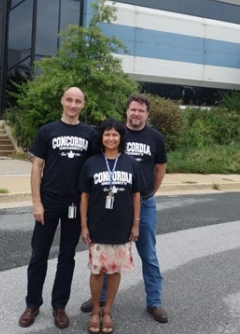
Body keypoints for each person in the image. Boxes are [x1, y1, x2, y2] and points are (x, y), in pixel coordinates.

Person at [80, 93, 168, 323]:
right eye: (133, 109)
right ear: (127, 112)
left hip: (143, 204)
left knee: (148, 254)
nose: (136, 114)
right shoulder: (118, 134)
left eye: (141, 110)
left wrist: (148, 194)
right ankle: (99, 300)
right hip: (111, 208)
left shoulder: (155, 138)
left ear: (147, 114)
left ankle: (154, 302)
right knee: (109, 250)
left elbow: (160, 169)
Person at [19, 86, 96, 330]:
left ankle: (59, 306)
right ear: (62, 101)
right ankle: (32, 304)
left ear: (83, 105)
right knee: (38, 255)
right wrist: (36, 202)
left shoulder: (90, 134)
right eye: (69, 100)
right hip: (49, 202)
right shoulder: (47, 131)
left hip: (75, 205)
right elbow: (36, 167)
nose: (73, 105)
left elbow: (94, 169)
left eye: (78, 101)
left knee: (67, 256)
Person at [78, 118, 141, 334]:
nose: (111, 138)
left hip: (122, 227)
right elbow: (84, 197)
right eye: (107, 134)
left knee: (115, 271)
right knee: (97, 271)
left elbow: (136, 196)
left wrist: (136, 225)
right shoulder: (92, 162)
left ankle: (108, 312)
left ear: (121, 138)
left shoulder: (131, 163)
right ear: (101, 137)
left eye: (115, 134)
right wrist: (84, 226)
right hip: (97, 226)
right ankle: (95, 311)